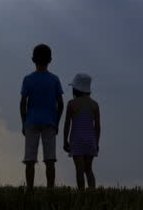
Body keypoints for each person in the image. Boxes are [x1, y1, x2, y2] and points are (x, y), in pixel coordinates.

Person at [19, 43, 64, 190]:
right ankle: (50, 189)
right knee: (50, 159)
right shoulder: (55, 79)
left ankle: (30, 190)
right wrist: (57, 122)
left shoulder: (28, 79)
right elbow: (61, 104)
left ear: (33, 59)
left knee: (30, 159)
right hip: (49, 122)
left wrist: (23, 123)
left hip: (31, 122)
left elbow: (23, 103)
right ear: (50, 60)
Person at [62, 73, 101, 190]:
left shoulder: (71, 104)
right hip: (90, 141)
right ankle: (92, 192)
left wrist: (65, 141)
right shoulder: (95, 105)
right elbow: (97, 127)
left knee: (79, 170)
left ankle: (81, 194)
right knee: (88, 169)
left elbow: (67, 124)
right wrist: (96, 143)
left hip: (77, 140)